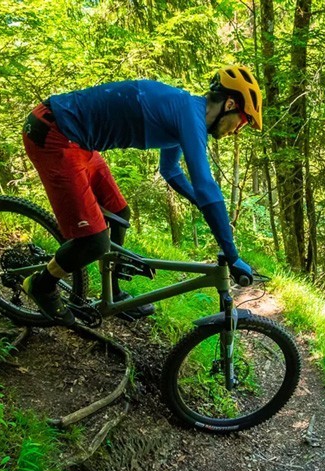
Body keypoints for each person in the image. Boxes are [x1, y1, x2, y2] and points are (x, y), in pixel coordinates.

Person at [21, 65, 263, 326]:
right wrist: (233, 254)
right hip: (55, 133)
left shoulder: (186, 112)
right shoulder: (190, 115)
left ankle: (112, 296)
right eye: (243, 121)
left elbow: (170, 171)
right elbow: (205, 185)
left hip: (78, 140)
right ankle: (42, 284)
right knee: (95, 242)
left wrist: (202, 206)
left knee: (119, 214)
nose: (237, 130)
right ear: (229, 104)